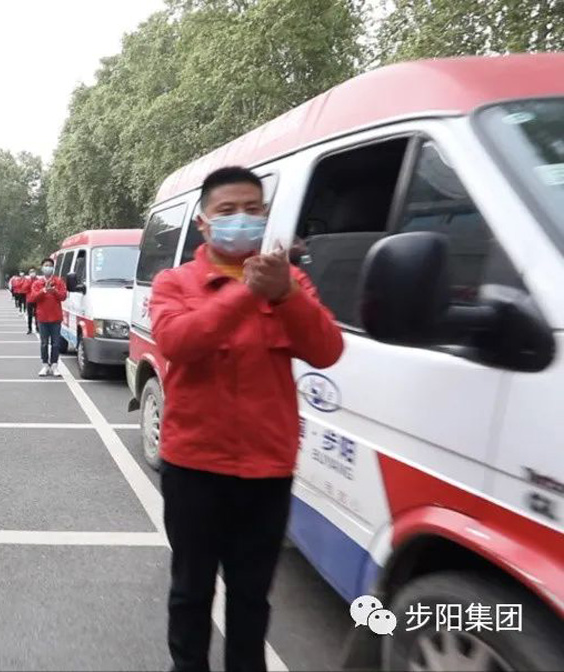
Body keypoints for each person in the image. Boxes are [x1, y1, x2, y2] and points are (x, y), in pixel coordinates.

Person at [149, 167, 343, 672]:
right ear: (203, 223)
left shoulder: (290, 283)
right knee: (190, 590)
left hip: (266, 470)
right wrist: (248, 292)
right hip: (194, 467)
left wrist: (285, 295)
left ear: (266, 216)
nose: (242, 218)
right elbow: (179, 342)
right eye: (227, 210)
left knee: (251, 598)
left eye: (253, 210)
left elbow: (326, 350)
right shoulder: (175, 283)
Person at [27, 258, 67, 377]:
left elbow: (63, 296)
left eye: (50, 265)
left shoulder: (58, 281)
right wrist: (44, 290)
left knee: (56, 344)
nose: (48, 267)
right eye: (46, 265)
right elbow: (33, 298)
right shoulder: (37, 283)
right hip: (42, 318)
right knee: (44, 343)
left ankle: (54, 365)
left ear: (53, 268)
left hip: (56, 318)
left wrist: (54, 291)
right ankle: (45, 365)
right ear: (42, 267)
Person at [25, 267, 40, 334]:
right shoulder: (27, 280)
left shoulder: (38, 280)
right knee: (30, 315)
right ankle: (29, 328)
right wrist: (30, 281)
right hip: (29, 300)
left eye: (33, 272)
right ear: (29, 273)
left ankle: (37, 328)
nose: (32, 273)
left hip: (37, 300)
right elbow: (25, 289)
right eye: (31, 272)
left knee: (37, 315)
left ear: (35, 273)